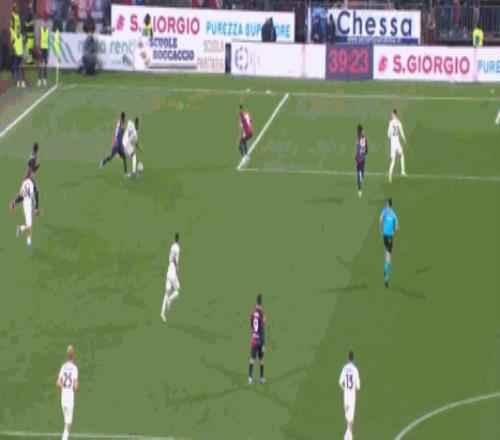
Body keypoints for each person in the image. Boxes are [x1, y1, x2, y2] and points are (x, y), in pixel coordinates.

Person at [10, 142, 42, 215]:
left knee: (24, 195)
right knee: (36, 192)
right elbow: (31, 166)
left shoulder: (32, 155)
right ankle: (36, 210)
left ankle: (13, 203)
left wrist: (35, 167)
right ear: (37, 149)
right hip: (29, 178)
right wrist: (36, 167)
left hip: (27, 177)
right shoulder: (34, 156)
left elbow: (30, 165)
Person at [57, 345, 79, 440]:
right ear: (73, 355)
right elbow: (75, 386)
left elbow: (58, 383)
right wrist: (74, 387)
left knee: (66, 421)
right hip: (70, 398)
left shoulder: (63, 367)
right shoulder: (74, 368)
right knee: (68, 423)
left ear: (67, 355)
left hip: (63, 398)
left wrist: (64, 387)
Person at [339, 350, 361, 440]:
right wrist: (355, 395)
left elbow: (340, 382)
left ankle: (348, 434)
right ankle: (348, 436)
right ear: (353, 359)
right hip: (352, 396)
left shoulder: (344, 368)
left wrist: (345, 390)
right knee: (350, 417)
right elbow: (358, 386)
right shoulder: (355, 370)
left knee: (348, 416)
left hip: (346, 396)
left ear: (348, 358)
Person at [161, 233, 181, 322]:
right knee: (177, 290)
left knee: (167, 292)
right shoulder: (178, 248)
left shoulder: (172, 246)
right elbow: (175, 260)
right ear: (178, 239)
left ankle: (162, 313)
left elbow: (170, 257)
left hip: (169, 270)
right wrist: (178, 271)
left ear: (174, 238)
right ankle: (170, 299)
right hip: (173, 270)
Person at [379, 198, 399, 288]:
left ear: (387, 204)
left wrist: (381, 229)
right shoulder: (394, 214)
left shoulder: (384, 211)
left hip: (384, 236)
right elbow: (397, 227)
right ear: (392, 204)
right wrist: (394, 227)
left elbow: (380, 220)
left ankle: (385, 269)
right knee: (389, 256)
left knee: (386, 253)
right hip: (390, 237)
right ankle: (386, 277)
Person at [247, 293, 266, 386]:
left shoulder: (252, 312)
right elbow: (262, 329)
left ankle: (250, 378)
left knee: (252, 359)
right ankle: (261, 378)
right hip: (260, 341)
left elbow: (251, 325)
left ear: (256, 301)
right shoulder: (262, 313)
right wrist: (263, 344)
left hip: (254, 340)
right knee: (261, 359)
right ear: (261, 302)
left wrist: (253, 334)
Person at [15, 173, 36, 247]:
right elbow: (31, 195)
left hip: (24, 204)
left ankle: (27, 238)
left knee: (29, 224)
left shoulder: (24, 183)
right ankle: (21, 229)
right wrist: (34, 202)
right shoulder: (31, 184)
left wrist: (24, 195)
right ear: (31, 177)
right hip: (28, 205)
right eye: (33, 176)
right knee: (29, 225)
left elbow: (20, 193)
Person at [387, 109, 407, 183]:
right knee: (401, 155)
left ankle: (390, 175)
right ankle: (402, 171)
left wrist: (391, 137)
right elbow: (401, 132)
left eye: (392, 114)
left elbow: (388, 134)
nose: (392, 115)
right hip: (397, 143)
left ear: (395, 115)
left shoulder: (391, 122)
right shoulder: (399, 122)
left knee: (394, 159)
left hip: (393, 144)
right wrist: (404, 139)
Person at [355, 124, 368, 198]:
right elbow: (366, 147)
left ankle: (359, 190)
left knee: (359, 173)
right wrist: (365, 152)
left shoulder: (358, 138)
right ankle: (359, 189)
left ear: (358, 130)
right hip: (363, 158)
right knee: (361, 174)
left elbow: (358, 148)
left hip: (359, 158)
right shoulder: (364, 138)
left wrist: (356, 157)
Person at [38, 21, 49, 86]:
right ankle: (39, 79)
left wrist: (48, 50)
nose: (44, 25)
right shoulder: (41, 30)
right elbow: (39, 39)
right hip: (41, 49)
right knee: (40, 64)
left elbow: (48, 40)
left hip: (46, 49)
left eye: (45, 24)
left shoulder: (47, 31)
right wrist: (39, 49)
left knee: (45, 65)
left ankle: (44, 79)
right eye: (43, 24)